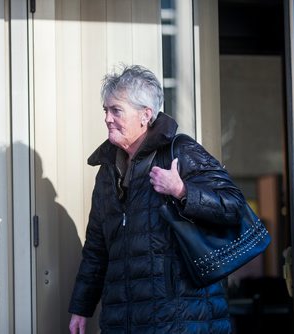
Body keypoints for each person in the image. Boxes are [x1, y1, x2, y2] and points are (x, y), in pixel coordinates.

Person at [68, 64, 245, 333]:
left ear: (145, 115)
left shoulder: (179, 151)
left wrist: (182, 191)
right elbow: (96, 248)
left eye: (116, 110)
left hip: (180, 317)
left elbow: (234, 205)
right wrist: (81, 308)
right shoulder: (107, 172)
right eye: (105, 110)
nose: (107, 118)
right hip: (123, 318)